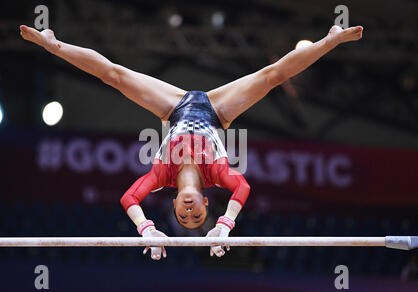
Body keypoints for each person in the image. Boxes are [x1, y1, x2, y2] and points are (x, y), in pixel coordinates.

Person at [20, 23, 363, 260]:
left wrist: (146, 229)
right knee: (272, 76)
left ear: (173, 207)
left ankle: (54, 44)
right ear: (204, 205)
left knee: (115, 75)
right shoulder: (216, 173)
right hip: (217, 111)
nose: (189, 214)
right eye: (197, 217)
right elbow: (242, 188)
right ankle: (329, 41)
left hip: (172, 109)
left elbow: (128, 197)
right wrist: (226, 225)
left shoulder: (161, 177)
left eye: (183, 219)